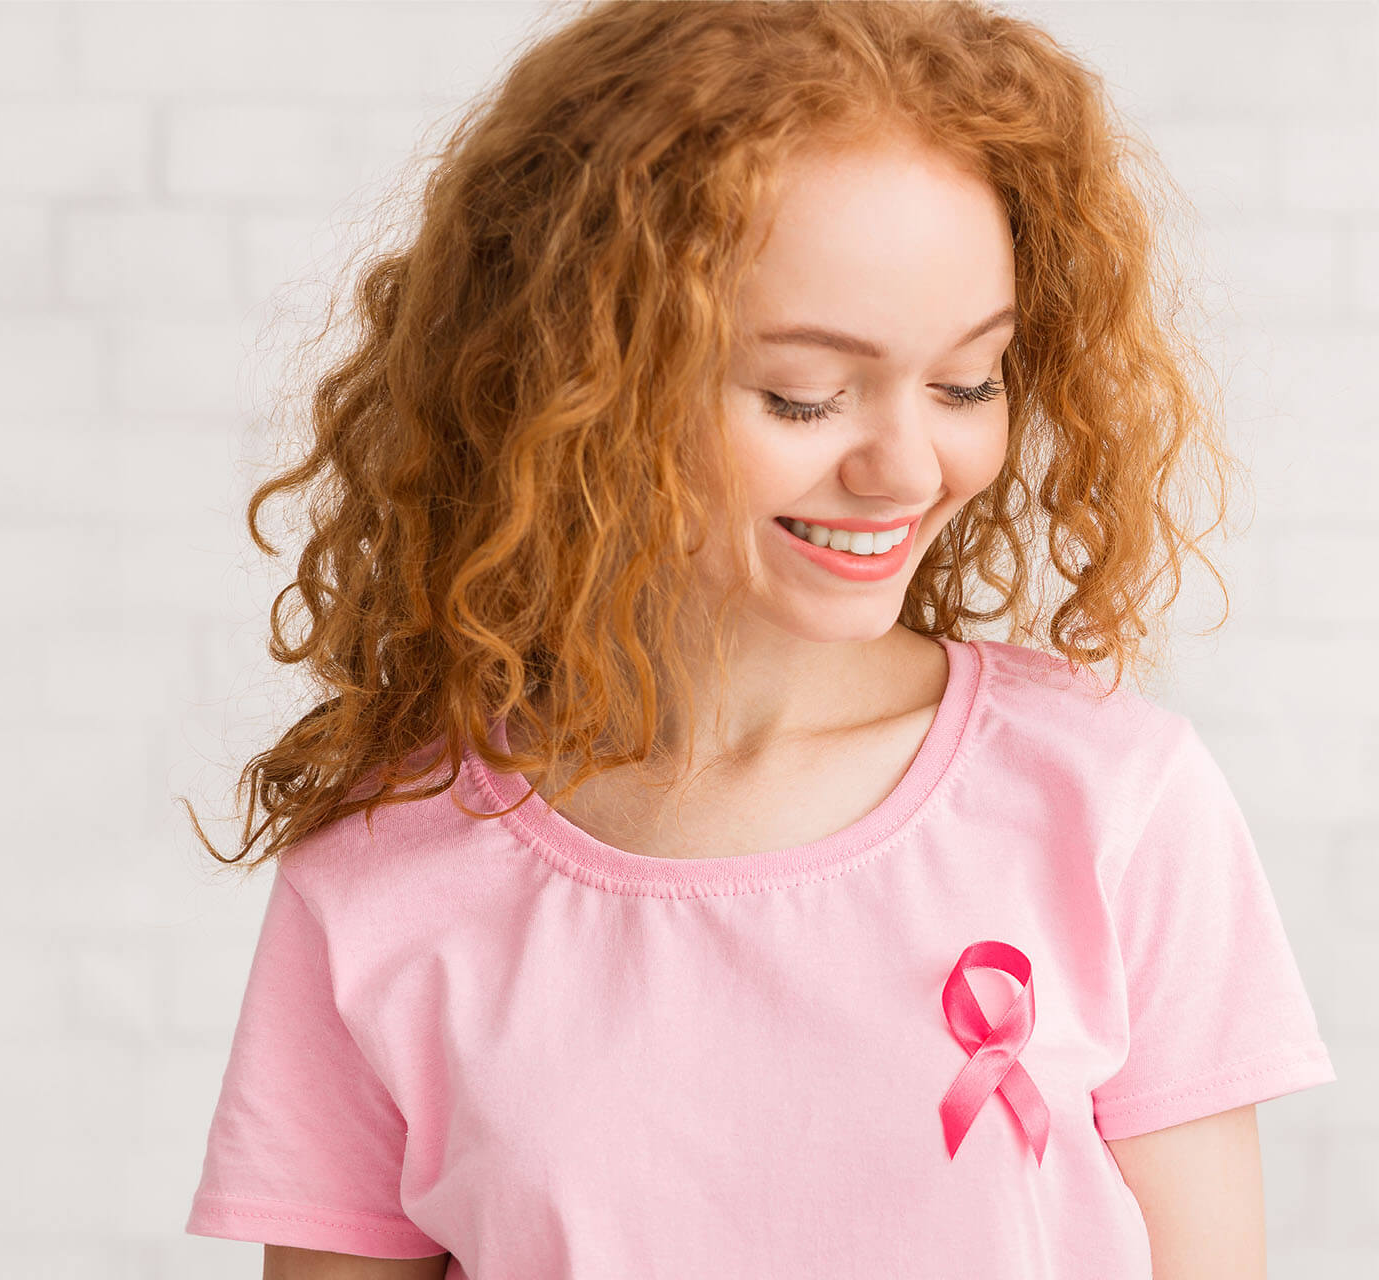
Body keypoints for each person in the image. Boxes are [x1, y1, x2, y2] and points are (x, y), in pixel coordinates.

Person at [178, 3, 1337, 1278]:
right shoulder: (385, 875)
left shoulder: (1112, 802)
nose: (905, 464)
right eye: (803, 393)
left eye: (967, 382)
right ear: (585, 378)